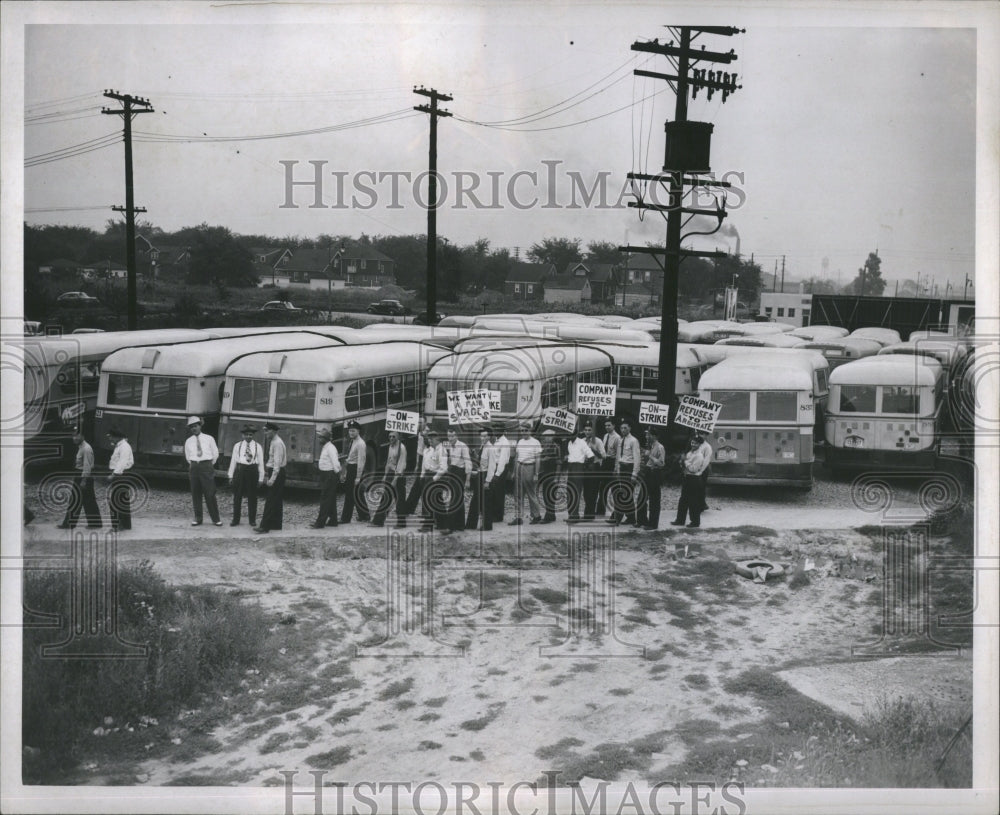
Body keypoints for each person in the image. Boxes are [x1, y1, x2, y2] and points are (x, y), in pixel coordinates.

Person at [58, 428, 102, 529]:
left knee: (83, 500)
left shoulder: (86, 448)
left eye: (77, 436)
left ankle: (71, 524)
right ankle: (94, 523)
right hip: (81, 476)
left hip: (84, 476)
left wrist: (84, 480)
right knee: (85, 500)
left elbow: (87, 466)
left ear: (83, 436)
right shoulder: (81, 447)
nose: (74, 438)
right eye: (73, 435)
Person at [184, 416, 222, 526]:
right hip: (194, 467)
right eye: (191, 427)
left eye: (195, 426)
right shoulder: (188, 441)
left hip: (206, 466)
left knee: (210, 493)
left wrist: (208, 465)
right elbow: (187, 456)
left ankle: (216, 519)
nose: (194, 429)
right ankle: (198, 518)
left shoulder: (209, 438)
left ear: (200, 426)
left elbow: (215, 454)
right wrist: (195, 464)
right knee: (196, 493)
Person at [228, 424, 265, 527]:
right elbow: (233, 462)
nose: (249, 436)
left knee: (252, 496)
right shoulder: (237, 446)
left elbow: (261, 463)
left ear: (253, 435)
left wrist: (261, 478)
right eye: (246, 435)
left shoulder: (258, 446)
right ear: (242, 435)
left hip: (252, 471)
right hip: (240, 470)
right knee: (237, 496)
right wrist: (230, 475)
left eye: (251, 435)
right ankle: (236, 519)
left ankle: (252, 520)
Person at [672, 432, 712, 528]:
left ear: (699, 444)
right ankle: (680, 520)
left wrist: (685, 462)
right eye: (692, 443)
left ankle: (695, 522)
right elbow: (685, 464)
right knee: (683, 500)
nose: (693, 444)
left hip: (694, 478)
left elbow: (694, 469)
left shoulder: (699, 455)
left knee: (693, 501)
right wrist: (683, 462)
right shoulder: (690, 452)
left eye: (695, 443)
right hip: (687, 477)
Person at [254, 422, 286, 533]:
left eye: (267, 430)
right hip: (277, 472)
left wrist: (272, 479)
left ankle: (265, 526)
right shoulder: (274, 441)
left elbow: (277, 465)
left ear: (274, 431)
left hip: (277, 472)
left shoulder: (277, 443)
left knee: (271, 500)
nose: (265, 432)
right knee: (276, 500)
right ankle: (276, 524)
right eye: (265, 430)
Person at [607, 420, 641, 525]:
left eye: (625, 428)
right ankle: (631, 518)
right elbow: (618, 457)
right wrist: (616, 469)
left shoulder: (633, 441)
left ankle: (616, 518)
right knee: (625, 494)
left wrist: (634, 473)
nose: (623, 430)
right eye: (621, 428)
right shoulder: (621, 440)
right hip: (621, 468)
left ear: (630, 428)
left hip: (629, 469)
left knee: (624, 494)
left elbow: (637, 458)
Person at [371, 431, 407, 527]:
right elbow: (388, 462)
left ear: (398, 437)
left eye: (393, 437)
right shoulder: (390, 446)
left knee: (399, 499)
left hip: (399, 475)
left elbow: (401, 465)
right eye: (390, 436)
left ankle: (401, 522)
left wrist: (395, 480)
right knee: (386, 497)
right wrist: (385, 476)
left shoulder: (402, 448)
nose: (391, 438)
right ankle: (378, 520)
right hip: (391, 473)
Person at [415, 429, 448, 532]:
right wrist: (422, 476)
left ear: (438, 439)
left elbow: (444, 468)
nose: (430, 440)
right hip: (427, 476)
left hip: (437, 477)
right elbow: (424, 465)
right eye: (429, 438)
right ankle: (429, 525)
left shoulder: (442, 450)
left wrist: (434, 479)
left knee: (437, 501)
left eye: (432, 438)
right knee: (426, 500)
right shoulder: (427, 450)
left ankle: (443, 526)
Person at [510, 423, 543, 525]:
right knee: (518, 494)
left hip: (530, 467)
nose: (524, 432)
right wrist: (514, 471)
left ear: (530, 431)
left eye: (526, 430)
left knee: (531, 493)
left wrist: (536, 474)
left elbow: (538, 459)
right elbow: (517, 457)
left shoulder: (536, 442)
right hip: (520, 466)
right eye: (522, 430)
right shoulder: (520, 442)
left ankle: (536, 516)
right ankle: (518, 517)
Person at [466, 427, 496, 531]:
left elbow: (492, 466)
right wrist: (474, 454)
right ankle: (470, 524)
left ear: (489, 436)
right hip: (480, 474)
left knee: (486, 502)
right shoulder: (482, 446)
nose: (482, 438)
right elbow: (480, 462)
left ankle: (487, 526)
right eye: (481, 436)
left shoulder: (491, 448)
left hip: (486, 476)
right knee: (475, 500)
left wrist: (488, 481)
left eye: (484, 436)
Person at [310, 426, 341, 528]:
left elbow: (336, 463)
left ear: (326, 439)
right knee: (330, 498)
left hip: (330, 475)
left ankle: (320, 522)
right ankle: (333, 520)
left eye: (321, 438)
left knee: (325, 499)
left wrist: (337, 475)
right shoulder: (326, 447)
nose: (319, 439)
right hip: (327, 475)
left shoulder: (330, 448)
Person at [441, 429, 471, 533]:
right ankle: (460, 525)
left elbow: (468, 463)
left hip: (460, 473)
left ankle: (450, 527)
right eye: (449, 436)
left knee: (454, 499)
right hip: (453, 472)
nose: (451, 438)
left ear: (457, 436)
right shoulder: (449, 446)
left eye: (453, 436)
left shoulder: (463, 446)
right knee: (458, 498)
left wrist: (467, 480)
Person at [340, 421, 371, 523]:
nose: (351, 433)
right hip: (351, 468)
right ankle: (364, 515)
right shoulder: (353, 441)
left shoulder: (361, 444)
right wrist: (345, 472)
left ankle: (345, 518)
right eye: (350, 431)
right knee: (357, 493)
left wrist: (358, 477)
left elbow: (361, 461)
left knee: (350, 494)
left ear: (358, 431)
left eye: (353, 431)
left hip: (356, 469)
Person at [564, 424, 595, 523]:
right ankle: (572, 514)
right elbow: (573, 455)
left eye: (572, 433)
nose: (570, 435)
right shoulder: (569, 442)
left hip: (578, 468)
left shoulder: (581, 442)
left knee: (576, 492)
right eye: (568, 433)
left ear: (576, 433)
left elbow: (591, 456)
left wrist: (584, 467)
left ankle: (574, 515)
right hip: (571, 467)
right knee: (569, 491)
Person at [637, 428, 666, 530]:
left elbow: (662, 464)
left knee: (654, 499)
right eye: (646, 435)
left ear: (655, 436)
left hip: (655, 473)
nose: (646, 437)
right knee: (641, 497)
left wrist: (651, 457)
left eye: (649, 435)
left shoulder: (660, 447)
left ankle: (653, 524)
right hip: (648, 472)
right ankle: (641, 520)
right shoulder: (650, 446)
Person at [106, 427, 133, 531]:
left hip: (120, 475)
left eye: (111, 437)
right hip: (121, 474)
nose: (110, 439)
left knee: (115, 501)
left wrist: (114, 475)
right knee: (122, 501)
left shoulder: (124, 447)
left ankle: (117, 525)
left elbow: (122, 462)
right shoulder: (120, 446)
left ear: (117, 437)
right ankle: (126, 525)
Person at [597, 418, 621, 518]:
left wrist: (616, 468)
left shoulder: (617, 438)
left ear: (614, 426)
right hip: (605, 462)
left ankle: (616, 513)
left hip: (612, 462)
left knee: (614, 488)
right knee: (602, 487)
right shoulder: (605, 436)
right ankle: (600, 510)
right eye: (606, 425)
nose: (607, 427)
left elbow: (618, 455)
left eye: (609, 425)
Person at [581, 422, 606, 521]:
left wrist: (593, 450)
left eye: (589, 430)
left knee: (593, 492)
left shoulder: (598, 441)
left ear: (593, 431)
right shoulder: (581, 441)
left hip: (595, 468)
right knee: (586, 492)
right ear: (583, 431)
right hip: (585, 467)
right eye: (586, 430)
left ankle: (589, 514)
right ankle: (588, 512)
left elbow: (604, 456)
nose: (587, 432)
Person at [491, 422, 514, 523]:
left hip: (500, 469)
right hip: (495, 468)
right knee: (494, 492)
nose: (495, 431)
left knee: (499, 492)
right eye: (494, 429)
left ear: (502, 431)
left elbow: (502, 460)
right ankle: (495, 514)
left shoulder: (504, 442)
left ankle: (498, 516)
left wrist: (497, 474)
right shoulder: (496, 440)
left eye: (497, 429)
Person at [538, 429, 561, 523]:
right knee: (545, 494)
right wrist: (543, 460)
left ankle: (549, 516)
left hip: (552, 473)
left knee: (550, 494)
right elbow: (539, 458)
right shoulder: (542, 446)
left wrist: (557, 477)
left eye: (550, 436)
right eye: (546, 436)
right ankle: (552, 515)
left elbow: (559, 463)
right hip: (544, 473)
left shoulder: (556, 447)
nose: (548, 438)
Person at [695, 432, 714, 512]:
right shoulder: (695, 444)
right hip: (694, 468)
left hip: (702, 469)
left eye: (704, 434)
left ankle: (701, 505)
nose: (702, 436)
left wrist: (700, 471)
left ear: (706, 436)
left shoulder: (707, 447)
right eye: (701, 434)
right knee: (695, 488)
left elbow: (706, 460)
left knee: (701, 487)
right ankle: (698, 504)